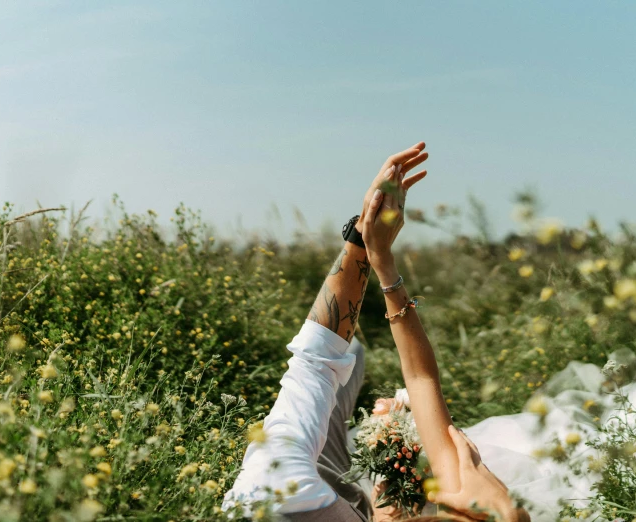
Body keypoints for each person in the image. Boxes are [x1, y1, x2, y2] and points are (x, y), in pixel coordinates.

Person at [222, 143, 530, 521]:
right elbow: (417, 378)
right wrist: (379, 260)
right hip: (330, 497)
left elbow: (319, 365)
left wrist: (367, 247)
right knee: (346, 358)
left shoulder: (283, 480)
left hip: (298, 493)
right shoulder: (473, 502)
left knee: (338, 364)